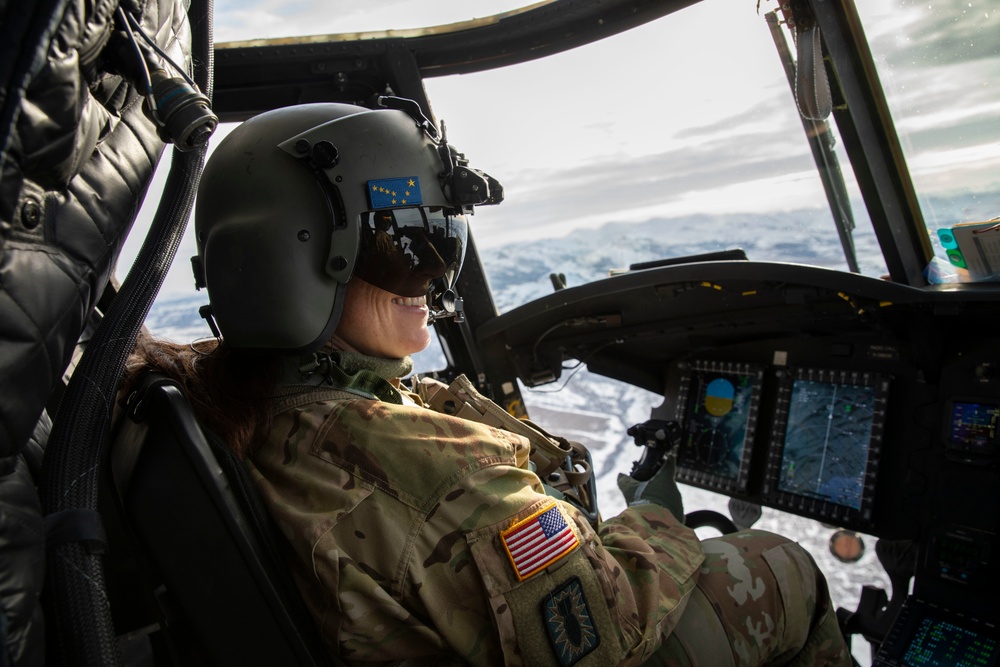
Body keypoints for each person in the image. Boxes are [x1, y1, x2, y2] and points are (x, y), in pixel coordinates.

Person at [125, 100, 852, 666]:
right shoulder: (434, 469)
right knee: (781, 567)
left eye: (445, 239)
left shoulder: (238, 399)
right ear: (288, 265)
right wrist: (657, 520)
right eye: (407, 249)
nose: (436, 276)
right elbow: (604, 631)